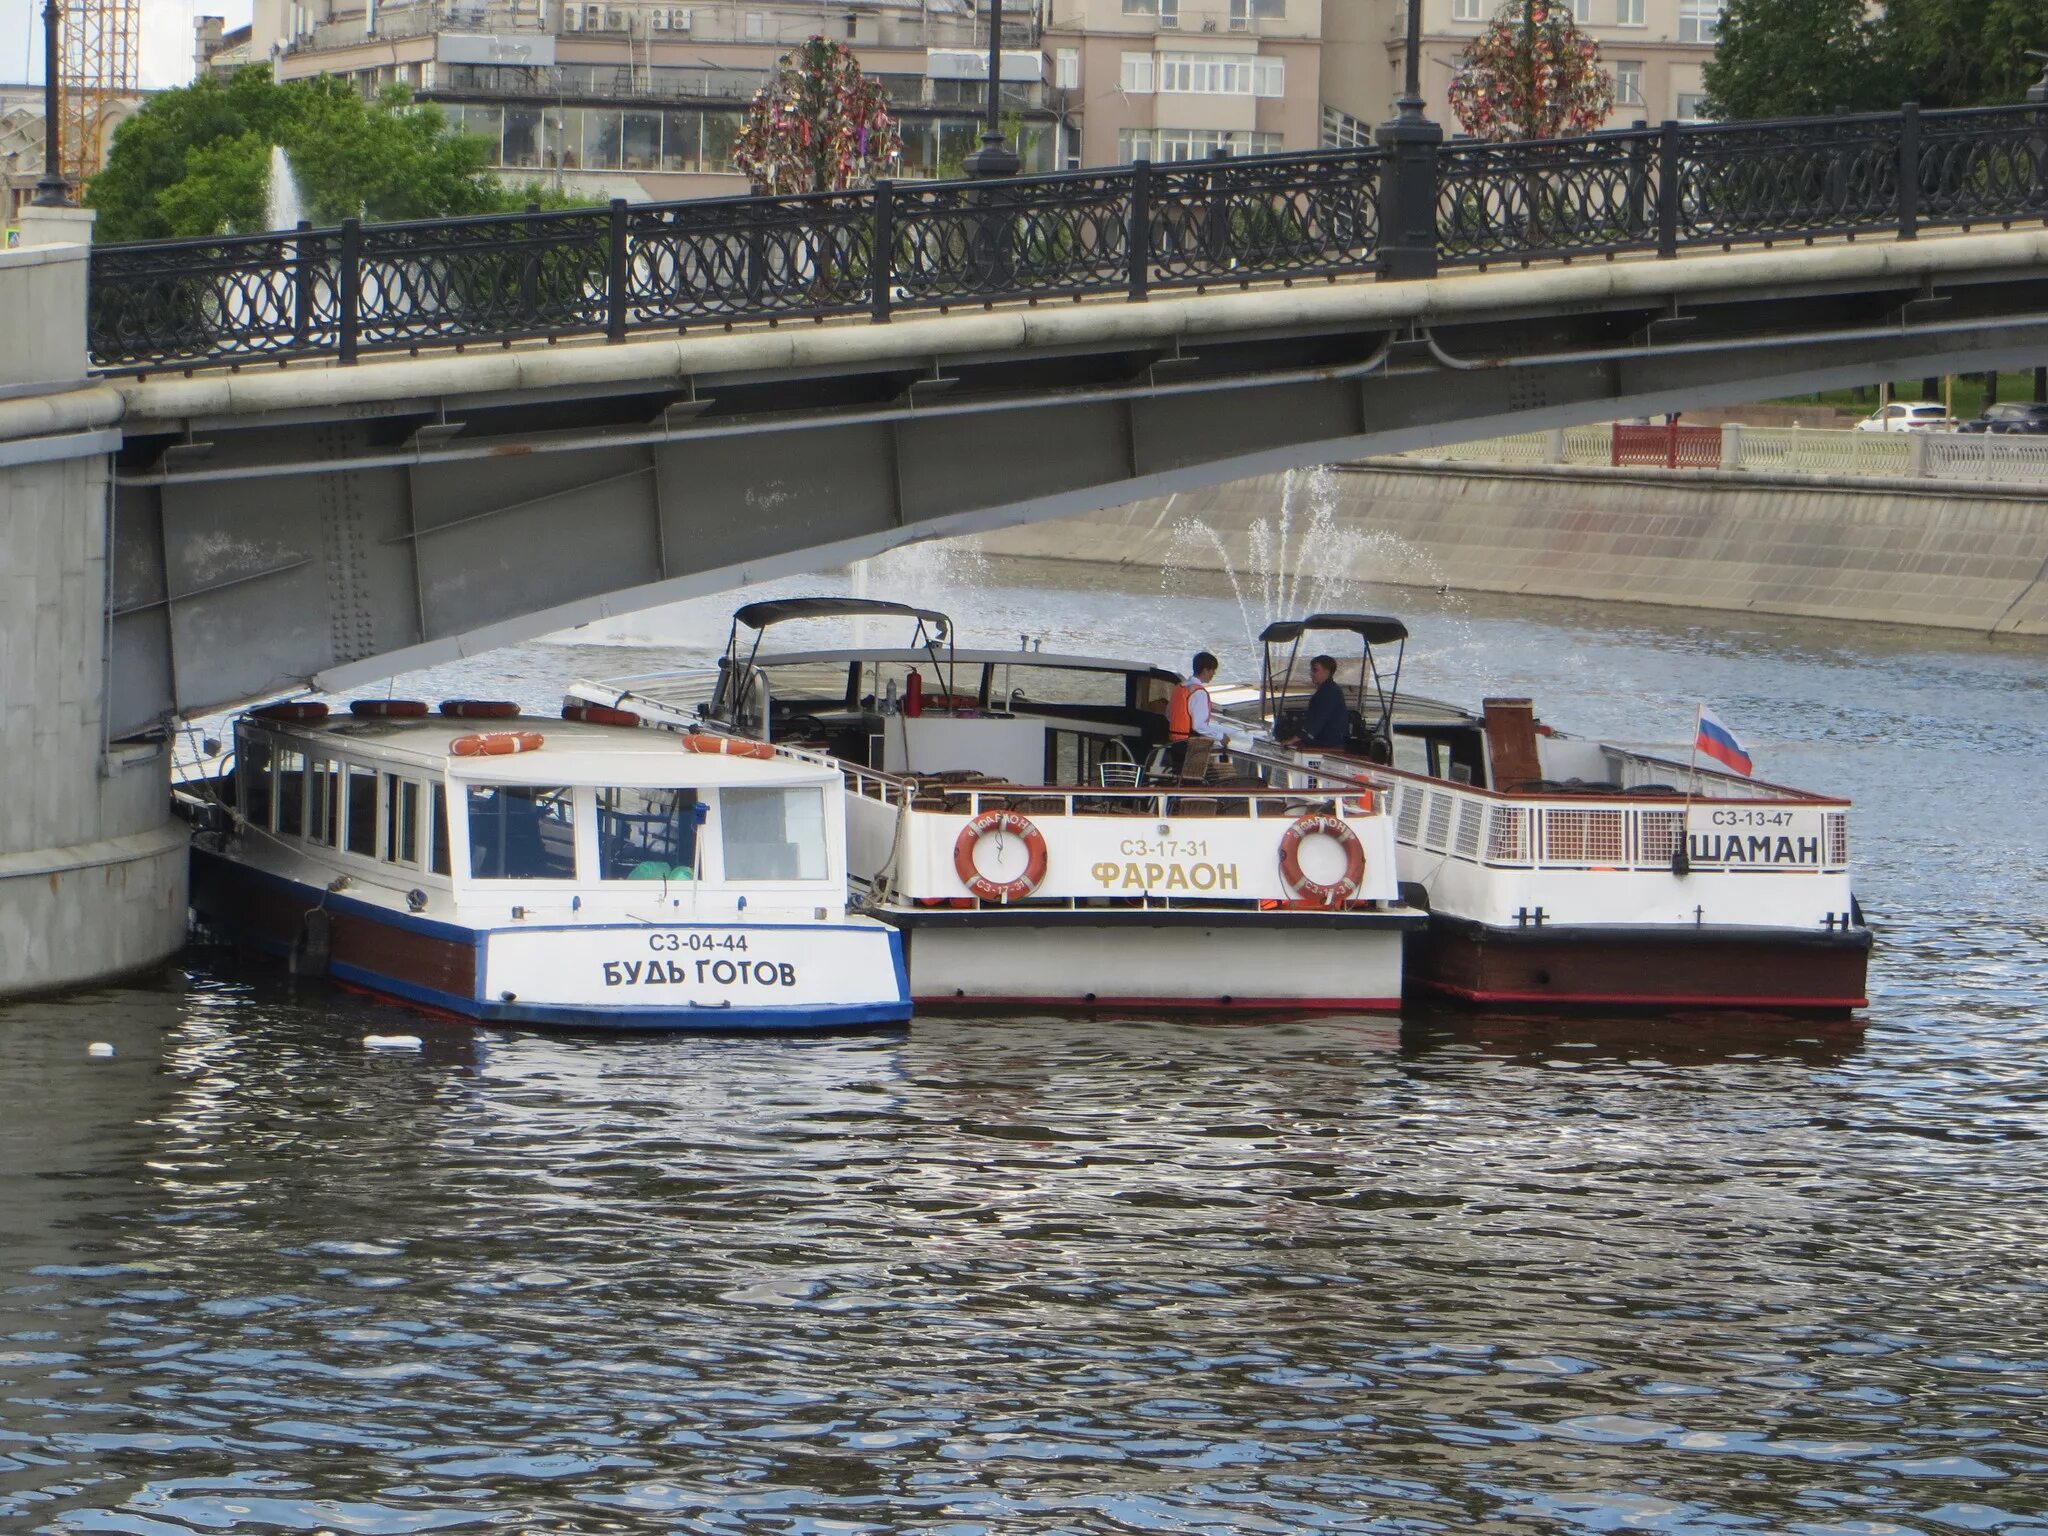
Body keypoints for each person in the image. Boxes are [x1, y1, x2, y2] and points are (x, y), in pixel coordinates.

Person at [1165, 651, 1226, 769]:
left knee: (1179, 776)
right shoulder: (1199, 693)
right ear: (1205, 670)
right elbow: (1198, 726)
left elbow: (1168, 714)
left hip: (1174, 743)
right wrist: (1220, 736)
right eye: (1212, 670)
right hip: (1190, 745)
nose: (1214, 673)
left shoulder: (1179, 688)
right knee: (1194, 778)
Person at [1287, 654, 1351, 751]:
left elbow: (1316, 722)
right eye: (1311, 670)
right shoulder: (1329, 689)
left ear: (1327, 672)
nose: (1311, 674)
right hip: (1328, 741)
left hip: (1329, 744)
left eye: (1315, 670)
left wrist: (1292, 740)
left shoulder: (1328, 692)